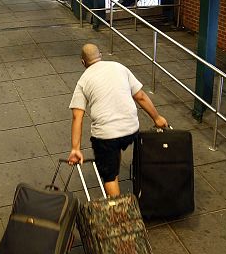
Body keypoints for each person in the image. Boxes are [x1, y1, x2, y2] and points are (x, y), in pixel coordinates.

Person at [68, 43, 168, 197]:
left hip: (106, 136)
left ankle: (118, 214)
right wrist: (157, 117)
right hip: (131, 130)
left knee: (109, 176)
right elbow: (140, 96)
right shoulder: (119, 67)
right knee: (116, 146)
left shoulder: (83, 80)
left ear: (83, 62)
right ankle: (114, 167)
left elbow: (77, 116)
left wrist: (76, 148)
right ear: (100, 55)